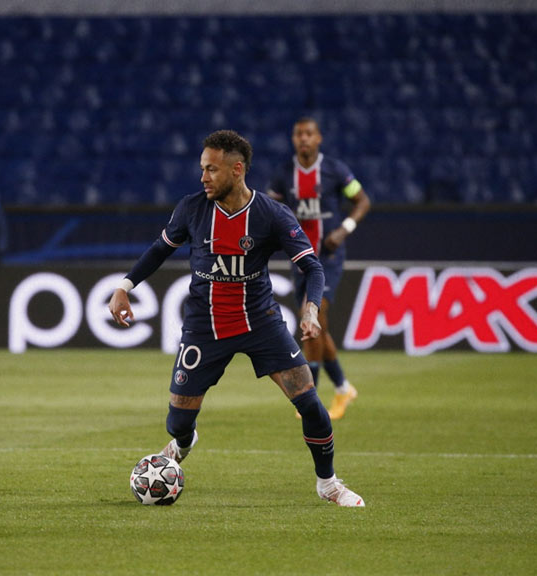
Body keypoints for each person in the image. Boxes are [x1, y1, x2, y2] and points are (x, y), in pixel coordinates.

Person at [108, 130, 364, 507]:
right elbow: (159, 250)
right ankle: (183, 441)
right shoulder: (192, 209)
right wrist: (124, 286)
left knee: (310, 403)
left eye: (211, 169)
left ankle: (327, 483)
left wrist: (310, 308)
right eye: (202, 169)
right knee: (177, 423)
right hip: (205, 327)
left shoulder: (271, 215)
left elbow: (312, 267)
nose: (203, 177)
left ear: (237, 169)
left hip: (261, 323)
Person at [267, 117, 371, 421]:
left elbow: (362, 201)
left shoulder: (336, 170)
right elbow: (270, 209)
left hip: (328, 257)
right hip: (299, 256)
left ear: (319, 138)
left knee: (313, 317)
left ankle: (309, 395)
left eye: (309, 134)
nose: (303, 139)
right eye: (298, 134)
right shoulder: (284, 173)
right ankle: (343, 387)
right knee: (317, 325)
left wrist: (344, 229)